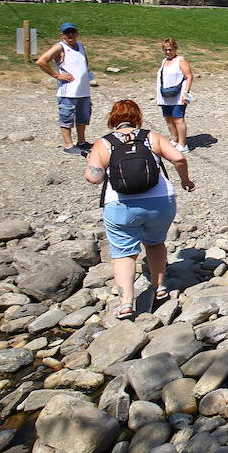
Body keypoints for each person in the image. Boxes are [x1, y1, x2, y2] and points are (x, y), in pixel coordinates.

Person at [83, 100, 194, 319]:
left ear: (113, 119)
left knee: (124, 253)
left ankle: (126, 303)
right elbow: (179, 158)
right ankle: (160, 287)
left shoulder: (103, 143)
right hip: (160, 202)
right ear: (138, 117)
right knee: (155, 243)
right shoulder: (151, 137)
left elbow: (94, 178)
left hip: (120, 205)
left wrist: (93, 163)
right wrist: (185, 181)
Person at [35, 22, 93, 155]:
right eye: (67, 33)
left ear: (77, 33)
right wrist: (57, 75)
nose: (70, 35)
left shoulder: (80, 46)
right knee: (67, 117)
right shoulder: (60, 47)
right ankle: (68, 144)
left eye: (72, 32)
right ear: (62, 35)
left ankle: (82, 142)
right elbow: (41, 61)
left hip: (83, 90)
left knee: (82, 118)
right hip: (68, 91)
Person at [156, 38, 194, 151]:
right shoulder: (164, 61)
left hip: (178, 95)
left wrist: (186, 93)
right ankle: (174, 139)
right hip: (165, 95)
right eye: (165, 50)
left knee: (178, 118)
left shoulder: (181, 61)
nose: (168, 52)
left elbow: (189, 76)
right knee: (168, 118)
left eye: (170, 49)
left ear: (175, 49)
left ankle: (183, 144)